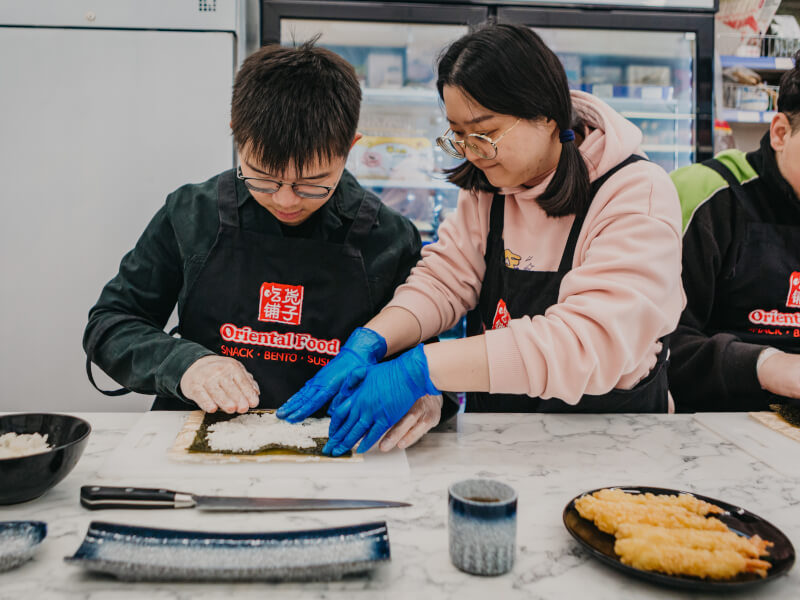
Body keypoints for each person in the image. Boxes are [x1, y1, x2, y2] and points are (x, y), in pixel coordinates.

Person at [277, 24, 684, 455]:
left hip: (610, 443)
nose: (471, 152)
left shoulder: (635, 192)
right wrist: (374, 339)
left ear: (546, 115)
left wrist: (421, 368)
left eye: (485, 133)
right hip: (502, 438)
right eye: (459, 135)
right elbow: (445, 281)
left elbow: (587, 343)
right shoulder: (490, 189)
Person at [83, 42, 451, 433]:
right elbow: (111, 323)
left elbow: (426, 361)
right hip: (199, 437)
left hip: (331, 448)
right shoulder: (193, 213)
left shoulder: (388, 237)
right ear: (236, 138)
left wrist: (427, 396)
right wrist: (187, 365)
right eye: (262, 177)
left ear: (350, 149)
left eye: (312, 183)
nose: (285, 200)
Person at [668, 51, 800, 412]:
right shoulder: (703, 195)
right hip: (706, 430)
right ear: (780, 133)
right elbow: (652, 347)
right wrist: (766, 365)